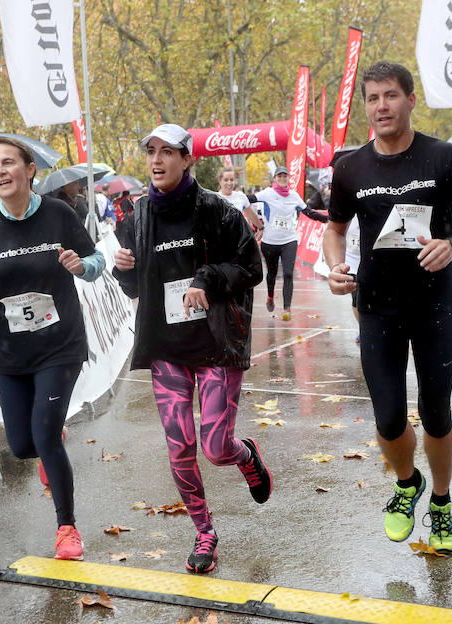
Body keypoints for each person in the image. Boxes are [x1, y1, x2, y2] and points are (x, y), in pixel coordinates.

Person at [323, 61, 452, 553]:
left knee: (435, 412)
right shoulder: (351, 167)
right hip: (376, 305)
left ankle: (440, 502)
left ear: (410, 100)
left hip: (434, 305)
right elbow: (334, 230)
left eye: (391, 96)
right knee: (388, 417)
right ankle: (407, 485)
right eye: (373, 98)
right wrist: (335, 267)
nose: (382, 106)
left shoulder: (442, 157)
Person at [112, 123, 271, 574]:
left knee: (216, 447)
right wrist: (123, 268)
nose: (157, 161)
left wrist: (207, 279)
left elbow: (250, 267)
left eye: (168, 152)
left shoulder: (218, 212)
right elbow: (130, 286)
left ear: (188, 160)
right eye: (151, 152)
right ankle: (204, 533)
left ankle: (246, 455)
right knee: (180, 446)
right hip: (167, 348)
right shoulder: (136, 218)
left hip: (216, 344)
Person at [0, 136, 105, 560]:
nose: (0, 172)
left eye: (8, 163)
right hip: (10, 348)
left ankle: (67, 529)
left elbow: (97, 264)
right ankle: (49, 433)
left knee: (43, 435)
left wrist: (81, 265)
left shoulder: (59, 214)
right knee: (23, 445)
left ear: (29, 169)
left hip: (60, 344)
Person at [255, 166, 328, 321]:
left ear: (288, 178)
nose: (282, 179)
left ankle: (287, 307)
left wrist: (328, 219)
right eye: (279, 176)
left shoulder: (293, 196)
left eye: (285, 176)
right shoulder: (267, 194)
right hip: (269, 242)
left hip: (289, 240)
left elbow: (308, 212)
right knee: (272, 274)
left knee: (288, 273)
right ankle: (270, 296)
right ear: (275, 178)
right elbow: (248, 200)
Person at [215, 165, 263, 235]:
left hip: (238, 239)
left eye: (232, 180)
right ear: (220, 181)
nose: (229, 183)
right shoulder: (214, 198)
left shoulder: (240, 196)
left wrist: (261, 228)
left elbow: (251, 214)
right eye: (226, 180)